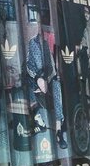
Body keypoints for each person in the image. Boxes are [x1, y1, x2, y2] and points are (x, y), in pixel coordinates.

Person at [26, 16, 66, 148]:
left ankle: (59, 131)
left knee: (56, 86)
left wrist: (47, 78)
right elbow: (29, 65)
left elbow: (51, 66)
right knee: (27, 83)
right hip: (36, 78)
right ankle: (38, 120)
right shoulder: (32, 43)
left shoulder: (47, 43)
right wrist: (37, 78)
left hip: (47, 78)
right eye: (38, 24)